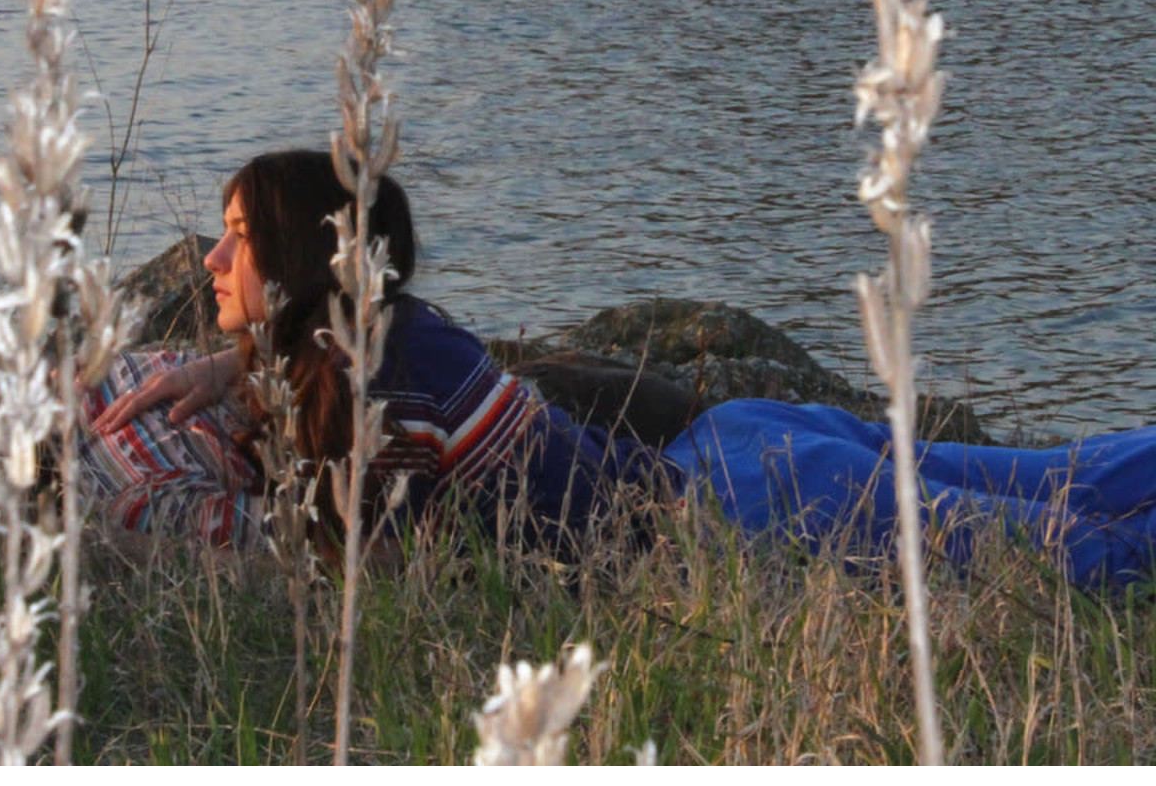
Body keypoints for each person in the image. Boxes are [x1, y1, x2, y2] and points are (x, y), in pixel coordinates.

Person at [82, 149, 1156, 585]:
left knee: (1082, 552)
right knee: (1066, 479)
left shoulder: (391, 377)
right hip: (734, 449)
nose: (210, 260)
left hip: (748, 507)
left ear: (303, 258)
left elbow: (339, 549)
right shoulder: (383, 341)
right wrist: (228, 373)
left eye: (237, 237)